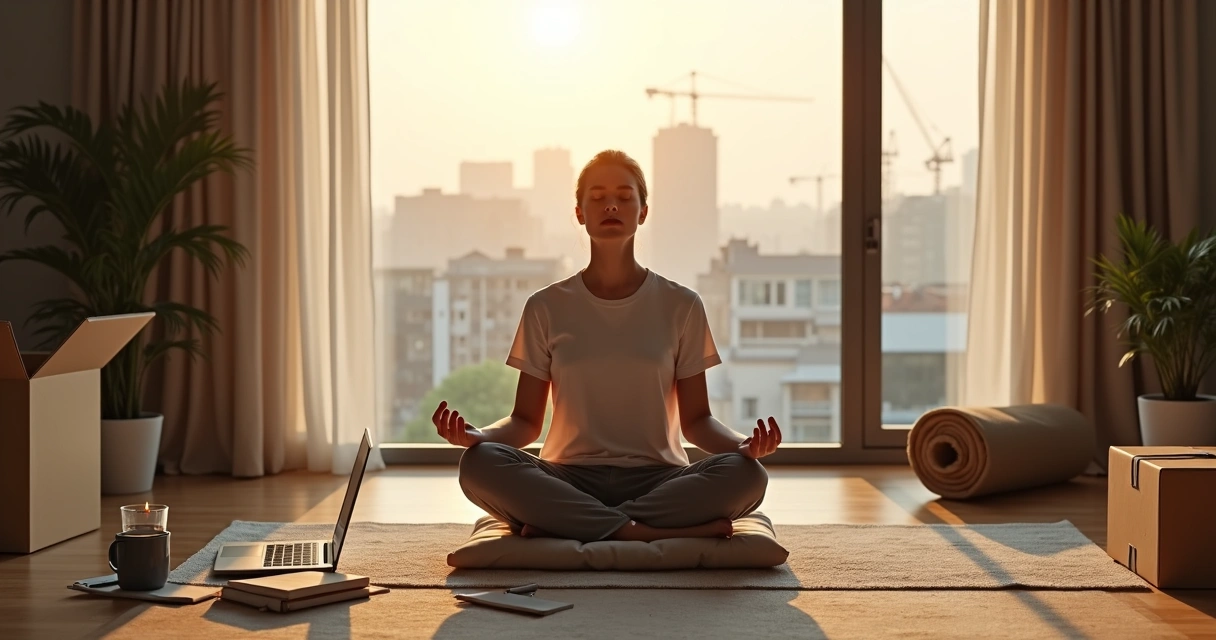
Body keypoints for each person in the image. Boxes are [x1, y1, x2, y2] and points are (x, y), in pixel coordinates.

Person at [432, 149, 782, 544]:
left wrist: (744, 445)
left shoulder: (682, 305)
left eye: (624, 196)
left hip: (659, 478)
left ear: (643, 211)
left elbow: (696, 422)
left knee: (748, 475)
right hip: (567, 477)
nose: (611, 204)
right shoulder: (545, 306)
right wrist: (479, 436)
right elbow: (526, 422)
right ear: (580, 212)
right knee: (479, 464)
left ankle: (574, 524)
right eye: (597, 197)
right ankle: (638, 531)